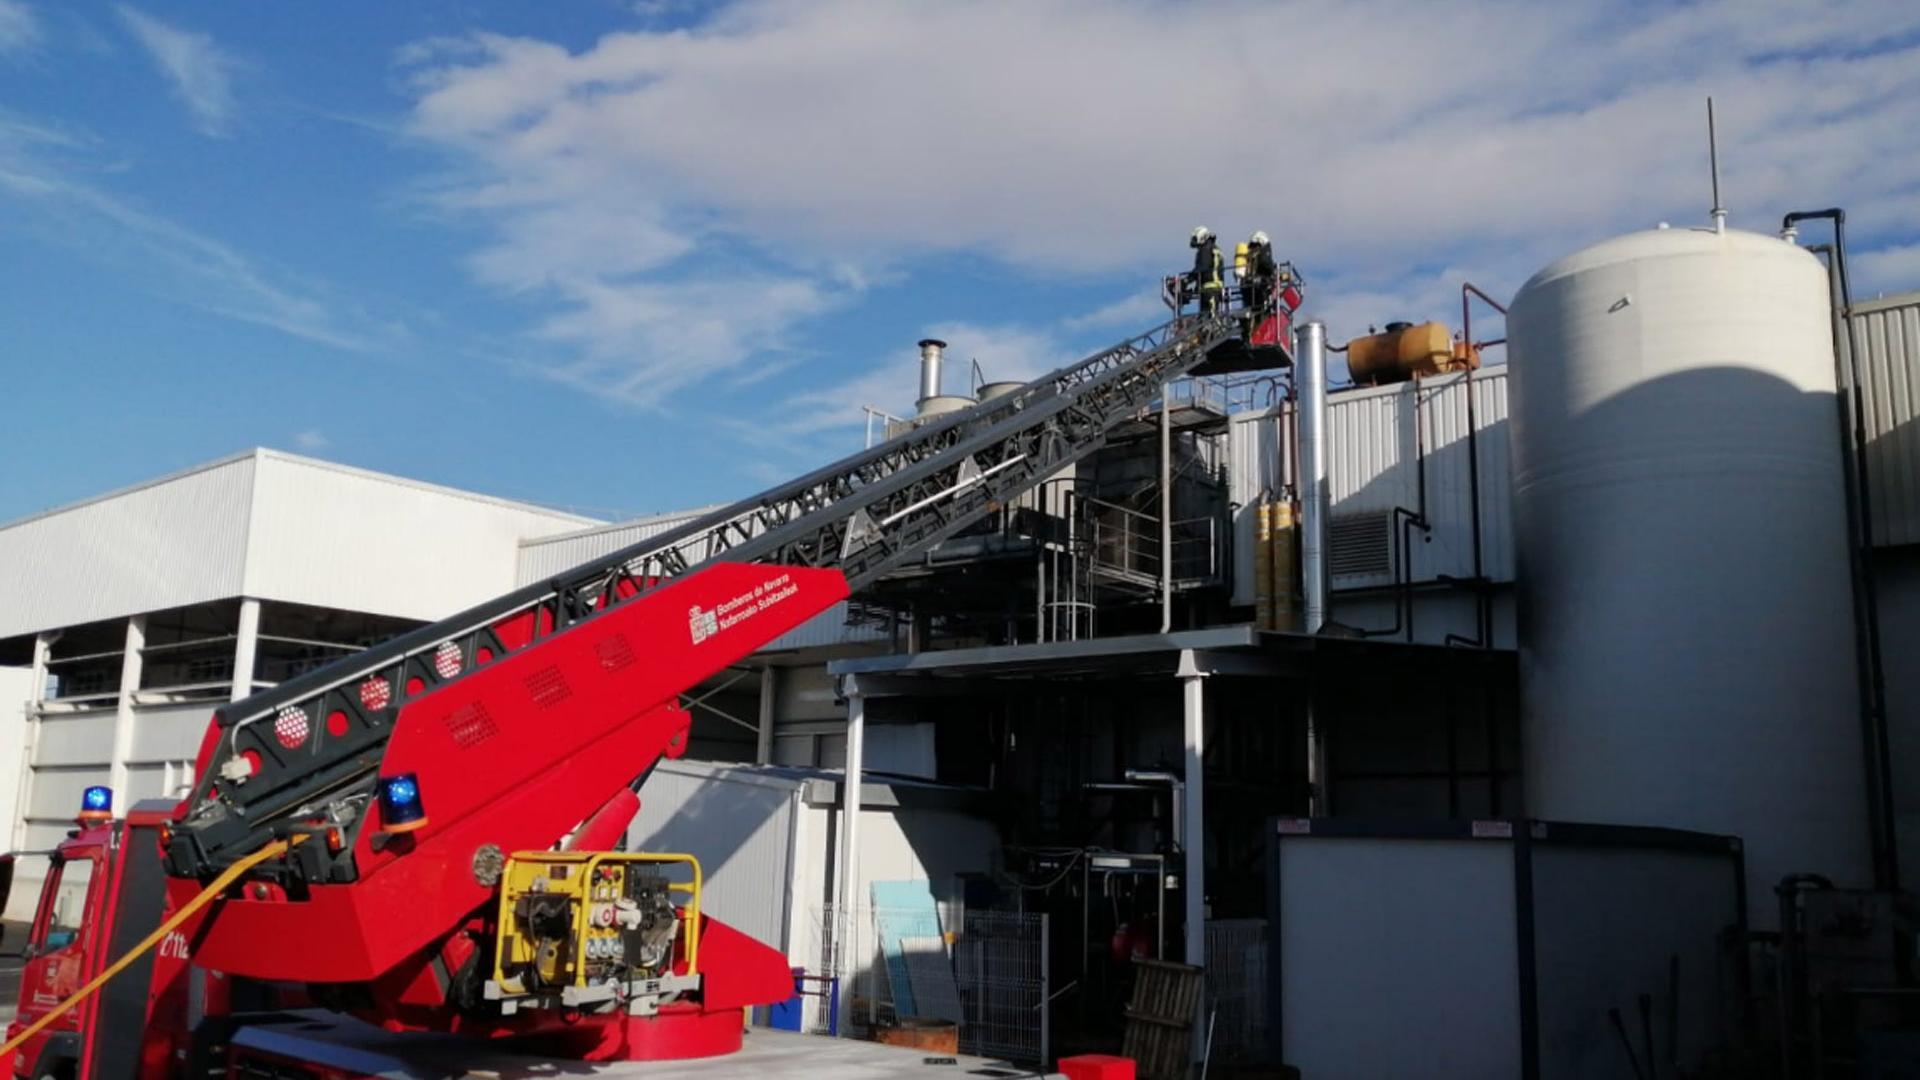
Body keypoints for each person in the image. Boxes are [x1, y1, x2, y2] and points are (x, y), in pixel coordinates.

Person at [1189, 226, 1224, 314]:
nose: (1197, 248)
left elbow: (1203, 267)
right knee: (1206, 315)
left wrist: (1187, 280)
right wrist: (1197, 285)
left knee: (1210, 316)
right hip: (1213, 289)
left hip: (1210, 289)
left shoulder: (1206, 249)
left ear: (1202, 237)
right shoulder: (1213, 248)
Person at [1241, 230, 1277, 314]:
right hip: (1259, 288)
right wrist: (1273, 271)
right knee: (1265, 311)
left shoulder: (1249, 254)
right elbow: (1266, 264)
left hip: (1247, 288)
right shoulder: (1262, 253)